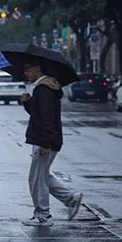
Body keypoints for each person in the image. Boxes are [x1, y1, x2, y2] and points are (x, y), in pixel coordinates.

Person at [20, 56, 83, 226]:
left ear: (38, 68)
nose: (25, 73)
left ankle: (43, 216)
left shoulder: (44, 89)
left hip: (45, 140)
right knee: (42, 175)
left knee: (37, 179)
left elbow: (47, 118)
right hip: (45, 138)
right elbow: (38, 113)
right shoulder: (45, 88)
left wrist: (45, 143)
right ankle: (70, 199)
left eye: (28, 69)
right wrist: (28, 103)